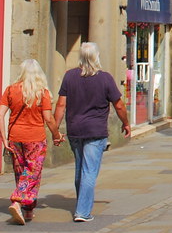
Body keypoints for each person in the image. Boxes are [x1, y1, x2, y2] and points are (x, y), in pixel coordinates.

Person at [53, 42, 131, 222]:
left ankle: (82, 204)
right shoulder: (105, 78)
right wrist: (125, 123)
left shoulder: (69, 76)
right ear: (97, 57)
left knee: (80, 169)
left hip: (75, 129)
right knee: (89, 171)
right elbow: (119, 105)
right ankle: (83, 212)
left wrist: (55, 130)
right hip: (95, 131)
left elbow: (61, 104)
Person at [0, 59, 63, 225]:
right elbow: (48, 118)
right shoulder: (43, 92)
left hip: (15, 137)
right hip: (35, 138)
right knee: (33, 172)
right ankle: (17, 201)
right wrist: (56, 134)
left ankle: (28, 211)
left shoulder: (11, 90)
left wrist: (4, 139)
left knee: (21, 172)